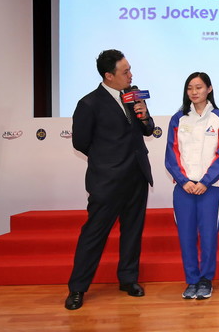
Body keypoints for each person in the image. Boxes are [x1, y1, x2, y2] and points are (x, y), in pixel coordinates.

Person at [65, 49, 155, 310]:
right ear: (108, 75)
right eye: (125, 71)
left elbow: (147, 129)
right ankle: (78, 289)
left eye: (130, 69)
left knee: (132, 231)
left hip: (136, 175)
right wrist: (108, 161)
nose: (130, 75)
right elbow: (81, 142)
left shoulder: (131, 97)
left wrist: (144, 113)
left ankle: (128, 279)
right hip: (107, 181)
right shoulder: (89, 103)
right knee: (94, 234)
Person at [164, 72, 219, 300]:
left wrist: (205, 181)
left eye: (199, 87)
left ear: (209, 89)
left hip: (210, 189)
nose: (194, 92)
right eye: (190, 88)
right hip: (184, 189)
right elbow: (171, 155)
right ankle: (191, 280)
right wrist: (184, 181)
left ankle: (205, 280)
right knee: (186, 236)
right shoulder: (178, 119)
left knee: (209, 235)